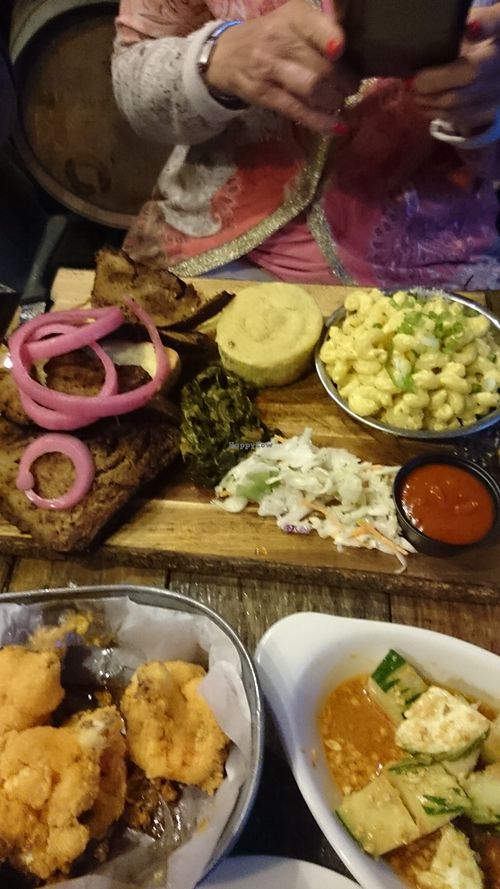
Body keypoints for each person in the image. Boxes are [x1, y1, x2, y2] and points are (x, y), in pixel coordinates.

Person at [112, 0, 500, 290]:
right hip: (206, 255)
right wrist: (213, 60)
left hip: (431, 278)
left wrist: (488, 114)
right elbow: (133, 87)